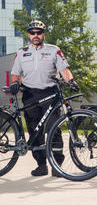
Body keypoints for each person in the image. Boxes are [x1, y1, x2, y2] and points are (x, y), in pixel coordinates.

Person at [10, 20, 79, 177]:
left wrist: (71, 81)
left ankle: (57, 166)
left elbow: (64, 69)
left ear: (43, 34)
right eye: (32, 33)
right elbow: (16, 73)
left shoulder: (54, 50)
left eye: (38, 33)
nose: (36, 35)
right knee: (35, 131)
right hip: (29, 94)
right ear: (29, 35)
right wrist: (15, 83)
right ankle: (41, 165)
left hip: (50, 93)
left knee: (54, 129)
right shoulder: (21, 52)